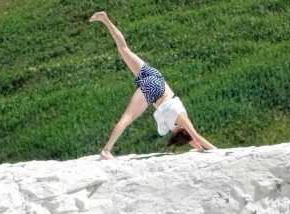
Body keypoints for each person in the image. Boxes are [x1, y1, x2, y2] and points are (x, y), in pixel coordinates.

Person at [89, 11, 217, 160]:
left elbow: (194, 140)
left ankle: (105, 20)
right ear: (180, 131)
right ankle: (106, 150)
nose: (175, 131)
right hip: (155, 87)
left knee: (124, 49)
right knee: (127, 117)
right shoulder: (181, 120)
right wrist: (218, 152)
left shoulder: (179, 125)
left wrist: (203, 150)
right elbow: (196, 137)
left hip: (156, 78)